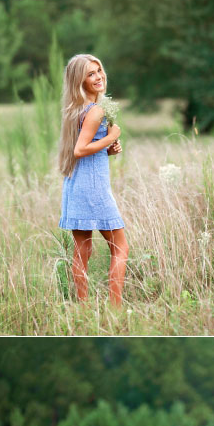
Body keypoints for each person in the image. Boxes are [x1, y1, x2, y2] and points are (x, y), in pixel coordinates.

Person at [56, 54, 128, 307]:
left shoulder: (76, 108)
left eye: (99, 71)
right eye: (90, 74)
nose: (98, 77)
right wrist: (112, 137)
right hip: (94, 188)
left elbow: (84, 148)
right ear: (80, 80)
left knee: (82, 251)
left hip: (76, 184)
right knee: (120, 247)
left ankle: (84, 308)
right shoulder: (96, 110)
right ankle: (116, 307)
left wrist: (107, 149)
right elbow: (80, 150)